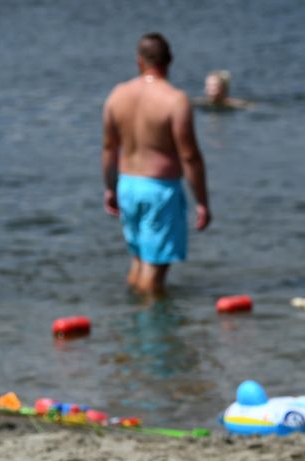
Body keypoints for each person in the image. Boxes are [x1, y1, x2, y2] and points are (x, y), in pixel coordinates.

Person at [102, 33, 211, 297]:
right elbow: (189, 156)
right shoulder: (175, 100)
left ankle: (134, 321)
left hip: (127, 184)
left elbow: (109, 149)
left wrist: (110, 189)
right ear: (170, 59)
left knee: (139, 259)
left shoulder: (118, 95)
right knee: (156, 266)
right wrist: (202, 201)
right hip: (159, 189)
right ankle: (152, 331)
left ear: (139, 60)